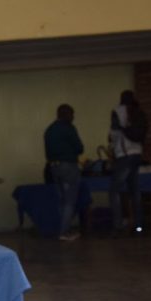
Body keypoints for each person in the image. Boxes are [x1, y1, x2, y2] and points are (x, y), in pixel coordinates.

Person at [109, 90, 147, 235]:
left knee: (114, 191)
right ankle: (138, 227)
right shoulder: (139, 111)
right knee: (135, 192)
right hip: (137, 155)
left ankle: (118, 226)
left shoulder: (117, 111)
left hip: (124, 156)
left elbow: (114, 135)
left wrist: (112, 147)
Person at [44, 103, 84, 241]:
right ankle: (64, 232)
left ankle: (63, 229)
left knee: (62, 200)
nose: (73, 118)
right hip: (68, 167)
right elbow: (79, 148)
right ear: (67, 115)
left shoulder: (49, 130)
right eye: (72, 114)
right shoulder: (68, 128)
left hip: (54, 168)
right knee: (69, 201)